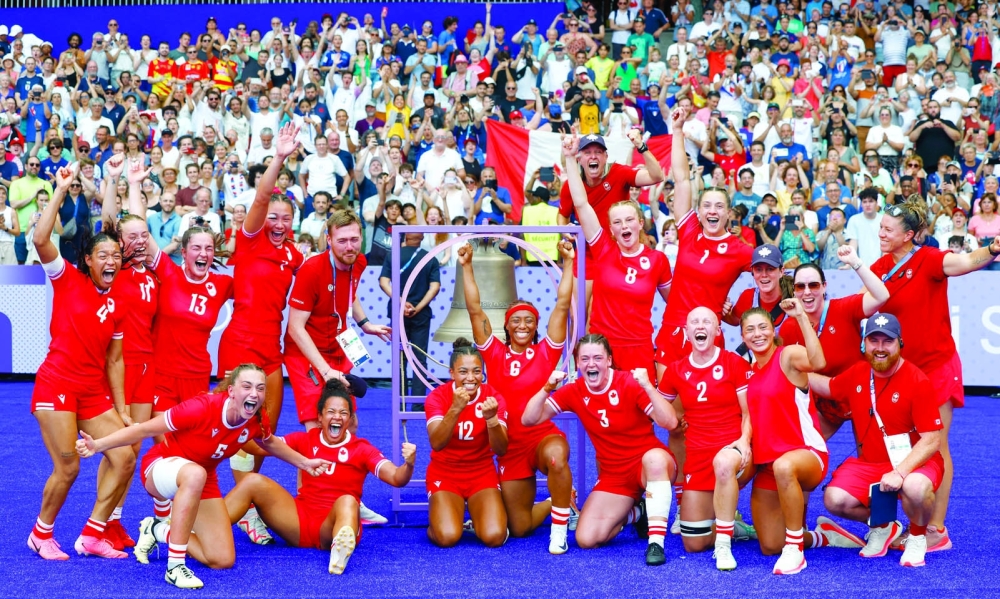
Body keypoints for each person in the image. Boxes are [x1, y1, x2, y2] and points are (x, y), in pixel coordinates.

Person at [74, 364, 329, 589]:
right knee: (195, 473)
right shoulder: (201, 408)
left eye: (260, 388)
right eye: (247, 386)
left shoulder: (256, 418)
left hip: (202, 478)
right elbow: (145, 429)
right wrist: (99, 444)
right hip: (161, 467)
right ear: (231, 390)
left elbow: (270, 443)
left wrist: (304, 463)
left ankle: (157, 529)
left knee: (222, 558)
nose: (254, 393)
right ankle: (175, 567)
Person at [869, 200, 1000, 551]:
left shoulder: (929, 259)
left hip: (936, 368)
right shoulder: (878, 266)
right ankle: (897, 521)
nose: (881, 234)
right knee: (894, 445)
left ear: (908, 235)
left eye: (887, 230)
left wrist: (991, 248)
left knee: (935, 446)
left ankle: (936, 530)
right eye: (880, 228)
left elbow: (966, 262)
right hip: (896, 372)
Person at [26, 163, 136, 561]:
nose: (112, 260)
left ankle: (92, 534)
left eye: (116, 255)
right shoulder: (66, 278)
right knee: (69, 467)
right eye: (102, 255)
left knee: (125, 454)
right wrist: (60, 188)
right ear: (87, 260)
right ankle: (41, 533)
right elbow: (41, 239)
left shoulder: (118, 298)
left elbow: (116, 359)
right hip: (56, 383)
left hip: (92, 388)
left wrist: (122, 409)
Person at [223, 379, 416, 575]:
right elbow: (257, 446)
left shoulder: (363, 449)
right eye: (331, 412)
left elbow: (396, 478)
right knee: (252, 482)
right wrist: (234, 418)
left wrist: (408, 464)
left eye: (343, 413)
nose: (337, 417)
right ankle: (208, 529)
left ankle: (339, 551)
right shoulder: (305, 439)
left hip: (333, 525)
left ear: (350, 420)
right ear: (320, 417)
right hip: (299, 521)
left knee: (349, 501)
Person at [457, 239, 575, 554]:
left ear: (536, 326)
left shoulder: (547, 351)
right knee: (519, 528)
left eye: (529, 321)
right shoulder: (494, 354)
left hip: (542, 437)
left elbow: (562, 304)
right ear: (507, 326)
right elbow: (474, 309)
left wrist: (568, 263)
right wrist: (467, 266)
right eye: (516, 321)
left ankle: (560, 531)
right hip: (511, 447)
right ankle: (558, 500)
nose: (522, 325)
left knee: (557, 459)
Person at [522, 334, 678, 565]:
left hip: (649, 465)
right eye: (585, 359)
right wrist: (547, 388)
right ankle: (637, 513)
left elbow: (670, 423)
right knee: (587, 539)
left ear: (609, 360)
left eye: (597, 357)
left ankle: (656, 543)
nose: (591, 364)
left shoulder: (628, 382)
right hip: (615, 476)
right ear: (577, 363)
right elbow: (528, 419)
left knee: (655, 460)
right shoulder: (573, 390)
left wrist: (647, 386)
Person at [809, 313, 945, 568]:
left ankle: (917, 536)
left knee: (914, 487)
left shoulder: (918, 381)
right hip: (871, 463)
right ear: (864, 343)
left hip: (914, 462)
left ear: (900, 343)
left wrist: (901, 472)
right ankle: (883, 526)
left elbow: (932, 440)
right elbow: (828, 386)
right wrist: (789, 370)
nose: (880, 348)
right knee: (834, 499)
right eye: (874, 341)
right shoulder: (859, 372)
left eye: (887, 341)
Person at [217, 123, 305, 512]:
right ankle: (243, 507)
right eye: (274, 217)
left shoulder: (296, 256)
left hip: (272, 350)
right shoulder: (250, 238)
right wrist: (281, 157)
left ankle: (245, 500)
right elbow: (263, 195)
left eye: (286, 218)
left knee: (263, 431)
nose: (279, 224)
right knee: (233, 428)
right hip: (239, 345)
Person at [656, 307, 760, 570]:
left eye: (707, 322)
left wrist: (744, 442)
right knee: (693, 543)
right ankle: (729, 525)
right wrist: (645, 387)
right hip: (698, 458)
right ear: (687, 331)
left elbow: (749, 412)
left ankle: (723, 547)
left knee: (724, 463)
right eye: (694, 322)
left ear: (717, 330)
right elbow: (664, 416)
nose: (700, 326)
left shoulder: (734, 363)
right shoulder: (676, 371)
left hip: (732, 450)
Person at [742, 298, 839, 575]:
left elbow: (819, 361)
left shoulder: (787, 356)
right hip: (768, 466)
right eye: (750, 330)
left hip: (806, 454)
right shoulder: (748, 372)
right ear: (743, 337)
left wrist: (800, 317)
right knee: (770, 544)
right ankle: (820, 536)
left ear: (773, 330)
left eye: (763, 327)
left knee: (784, 465)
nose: (757, 334)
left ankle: (795, 550)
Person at [564, 133, 671, 374]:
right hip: (604, 350)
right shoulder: (603, 248)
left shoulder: (658, 260)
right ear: (610, 229)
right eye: (618, 222)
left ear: (640, 223)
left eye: (630, 220)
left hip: (639, 350)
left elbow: (674, 302)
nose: (624, 226)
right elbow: (581, 204)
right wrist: (570, 158)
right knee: (575, 312)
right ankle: (573, 365)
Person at [285, 208, 390, 430]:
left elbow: (350, 294)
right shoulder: (311, 271)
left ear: (362, 238)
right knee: (318, 425)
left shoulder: (358, 262)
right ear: (329, 239)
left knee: (348, 423)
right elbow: (295, 328)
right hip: (307, 355)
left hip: (338, 347)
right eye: (342, 241)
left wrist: (366, 325)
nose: (349, 246)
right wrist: (325, 371)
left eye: (354, 239)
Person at [779, 247, 890, 438]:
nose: (807, 292)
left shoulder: (843, 308)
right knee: (808, 449)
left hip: (858, 393)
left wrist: (856, 263)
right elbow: (787, 371)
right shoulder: (789, 326)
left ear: (824, 286)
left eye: (813, 285)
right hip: (822, 399)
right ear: (794, 290)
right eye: (800, 287)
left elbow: (882, 296)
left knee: (870, 457)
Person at [557, 131, 664, 306]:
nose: (593, 156)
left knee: (604, 310)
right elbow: (562, 215)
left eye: (598, 152)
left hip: (617, 255)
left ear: (606, 157)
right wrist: (565, 231)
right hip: (586, 255)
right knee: (577, 313)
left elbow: (657, 176)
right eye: (587, 152)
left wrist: (641, 146)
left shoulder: (619, 173)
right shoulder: (571, 185)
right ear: (579, 158)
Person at [424, 339, 509, 549]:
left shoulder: (493, 397)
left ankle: (475, 517)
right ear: (452, 373)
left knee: (494, 537)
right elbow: (436, 443)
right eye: (463, 371)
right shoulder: (437, 397)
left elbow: (501, 449)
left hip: (481, 473)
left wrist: (492, 420)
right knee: (447, 537)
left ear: (482, 373)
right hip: (445, 472)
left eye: (476, 371)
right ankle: (443, 516)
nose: (470, 378)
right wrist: (455, 409)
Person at [379, 231, 440, 400]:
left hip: (397, 312)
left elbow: (383, 282)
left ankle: (400, 402)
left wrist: (401, 301)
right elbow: (434, 287)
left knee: (399, 359)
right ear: (422, 238)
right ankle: (419, 403)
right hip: (421, 316)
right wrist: (418, 307)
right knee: (420, 359)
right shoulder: (430, 258)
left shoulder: (393, 256)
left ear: (405, 237)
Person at [722, 243, 793, 358]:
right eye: (758, 269)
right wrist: (723, 310)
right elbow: (734, 320)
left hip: (787, 367)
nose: (764, 275)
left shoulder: (794, 299)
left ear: (781, 271)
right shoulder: (748, 296)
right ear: (753, 272)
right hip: (756, 367)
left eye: (770, 269)